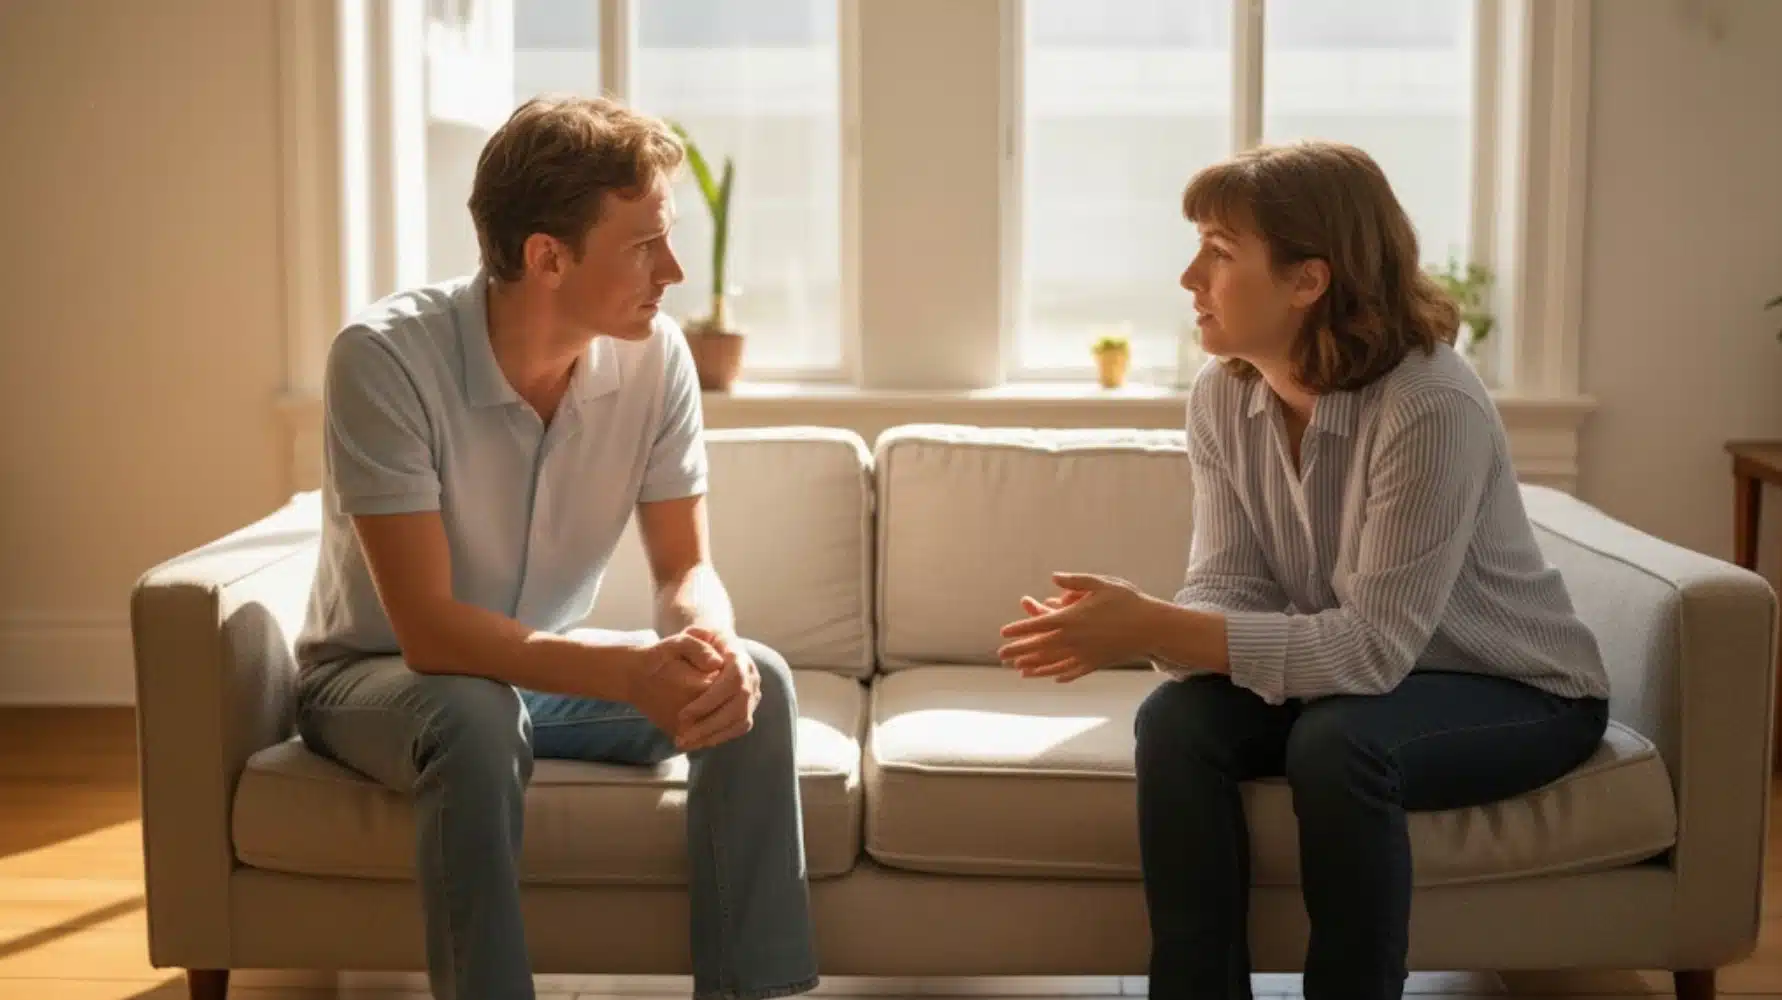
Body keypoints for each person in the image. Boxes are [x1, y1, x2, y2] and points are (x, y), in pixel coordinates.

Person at [996, 140, 1611, 1000]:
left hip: (1516, 689)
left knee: (1340, 742)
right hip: (1361, 680)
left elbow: (1370, 654)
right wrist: (1152, 632)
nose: (1188, 279)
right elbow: (1229, 585)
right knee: (1176, 723)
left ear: (1307, 281)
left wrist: (1152, 626)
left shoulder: (1428, 404)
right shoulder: (1225, 392)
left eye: (1218, 252)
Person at [292, 95, 818, 1000]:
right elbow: (429, 634)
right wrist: (625, 675)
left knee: (749, 685)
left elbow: (684, 568)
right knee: (472, 712)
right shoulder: (384, 361)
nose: (676, 269)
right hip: (380, 678)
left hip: (531, 673)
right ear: (547, 256)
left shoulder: (656, 360)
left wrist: (711, 646)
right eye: (646, 245)